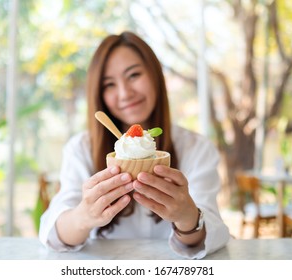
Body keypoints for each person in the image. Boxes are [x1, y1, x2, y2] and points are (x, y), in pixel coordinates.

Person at [39, 31, 230, 259]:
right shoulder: (81, 148)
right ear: (99, 94)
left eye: (134, 75)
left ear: (155, 74)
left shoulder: (196, 148)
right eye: (109, 84)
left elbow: (213, 233)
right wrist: (83, 216)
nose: (124, 93)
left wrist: (187, 217)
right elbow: (53, 233)